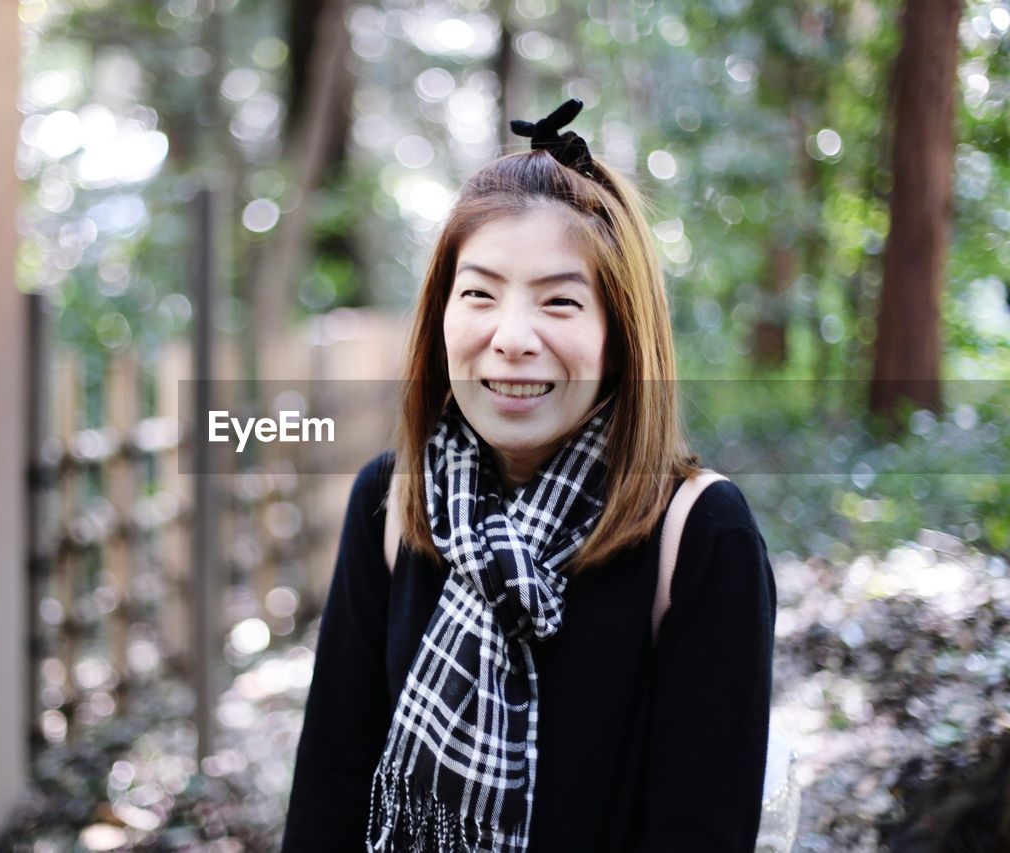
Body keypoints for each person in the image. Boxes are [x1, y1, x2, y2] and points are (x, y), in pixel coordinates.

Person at [281, 100, 776, 852]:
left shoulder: (702, 538)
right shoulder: (391, 501)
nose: (512, 338)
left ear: (619, 335)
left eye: (560, 302)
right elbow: (328, 800)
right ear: (440, 316)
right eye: (478, 293)